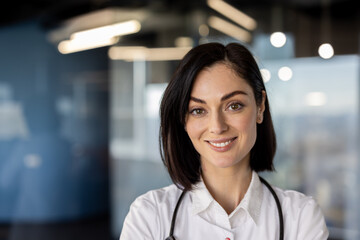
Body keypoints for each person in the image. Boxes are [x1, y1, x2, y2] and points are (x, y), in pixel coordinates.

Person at [119, 42, 329, 239]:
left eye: (234, 106)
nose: (217, 126)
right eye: (198, 110)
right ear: (183, 120)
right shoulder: (149, 215)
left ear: (260, 106)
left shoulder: (300, 216)